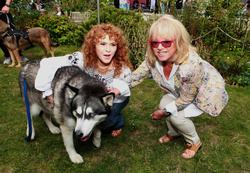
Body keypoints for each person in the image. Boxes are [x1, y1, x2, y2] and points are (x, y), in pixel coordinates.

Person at [125, 15, 228, 159]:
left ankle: (194, 142)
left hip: (200, 94)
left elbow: (187, 98)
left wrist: (163, 113)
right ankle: (175, 133)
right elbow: (136, 76)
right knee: (164, 104)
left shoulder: (191, 65)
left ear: (179, 42)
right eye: (155, 42)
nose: (160, 47)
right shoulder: (153, 59)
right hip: (179, 92)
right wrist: (116, 88)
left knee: (177, 117)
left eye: (166, 42)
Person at [35, 24, 133, 138]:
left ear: (118, 47)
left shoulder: (122, 69)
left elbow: (128, 86)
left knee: (106, 120)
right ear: (93, 45)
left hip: (117, 98)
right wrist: (47, 92)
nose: (108, 50)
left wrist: (115, 91)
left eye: (113, 44)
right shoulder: (82, 59)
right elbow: (47, 63)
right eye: (102, 44)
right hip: (92, 98)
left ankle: (117, 122)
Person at [0, 0, 29, 64]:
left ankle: (19, 55)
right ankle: (8, 55)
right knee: (1, 37)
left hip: (3, 12)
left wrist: (7, 5)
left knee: (10, 33)